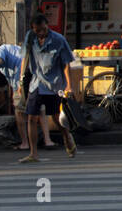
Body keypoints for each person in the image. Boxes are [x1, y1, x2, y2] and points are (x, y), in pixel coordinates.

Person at [0, 43, 55, 151]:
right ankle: (48, 141)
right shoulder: (15, 49)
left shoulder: (0, 50)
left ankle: (25, 143)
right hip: (37, 78)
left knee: (19, 111)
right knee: (40, 109)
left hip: (22, 81)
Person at [18, 13, 78, 162]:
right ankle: (34, 153)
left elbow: (66, 64)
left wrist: (69, 85)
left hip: (54, 84)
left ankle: (67, 136)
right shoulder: (30, 37)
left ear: (47, 27)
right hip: (36, 83)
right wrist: (20, 80)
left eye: (43, 29)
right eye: (37, 30)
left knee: (56, 118)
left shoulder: (58, 40)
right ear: (33, 29)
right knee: (32, 117)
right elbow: (25, 58)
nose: (40, 33)